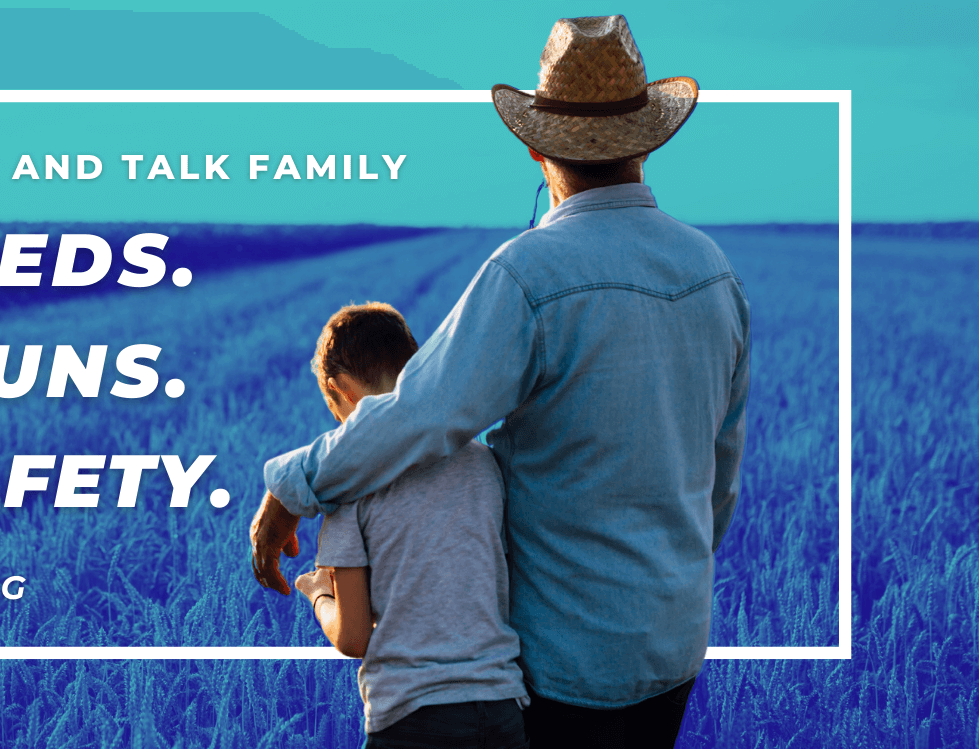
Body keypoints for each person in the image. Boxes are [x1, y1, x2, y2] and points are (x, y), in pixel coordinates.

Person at [249, 15, 750, 749]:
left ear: (535, 144)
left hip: (560, 661)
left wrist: (290, 486)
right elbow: (719, 484)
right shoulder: (715, 275)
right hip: (672, 645)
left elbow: (420, 414)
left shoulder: (529, 275)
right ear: (648, 138)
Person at [290, 302, 527, 748]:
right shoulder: (482, 462)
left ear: (340, 390)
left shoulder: (347, 488)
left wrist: (319, 593)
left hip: (412, 717)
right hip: (501, 707)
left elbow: (355, 637)